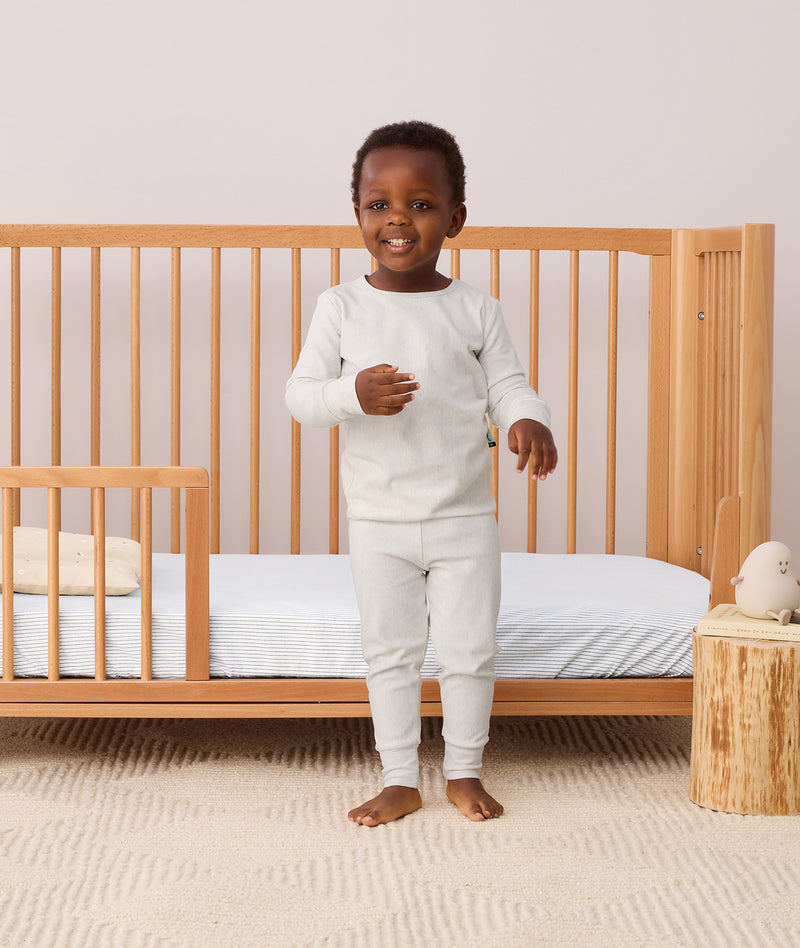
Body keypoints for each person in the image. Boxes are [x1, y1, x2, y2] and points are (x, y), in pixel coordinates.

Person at [285, 120, 557, 826]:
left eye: (422, 203)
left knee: (470, 651)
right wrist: (353, 395)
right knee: (393, 654)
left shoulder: (475, 308)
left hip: (465, 519)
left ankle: (465, 769)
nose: (398, 218)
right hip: (379, 521)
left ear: (456, 219)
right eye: (379, 204)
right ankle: (400, 776)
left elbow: (509, 385)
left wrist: (528, 419)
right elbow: (301, 397)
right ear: (357, 218)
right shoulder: (340, 307)